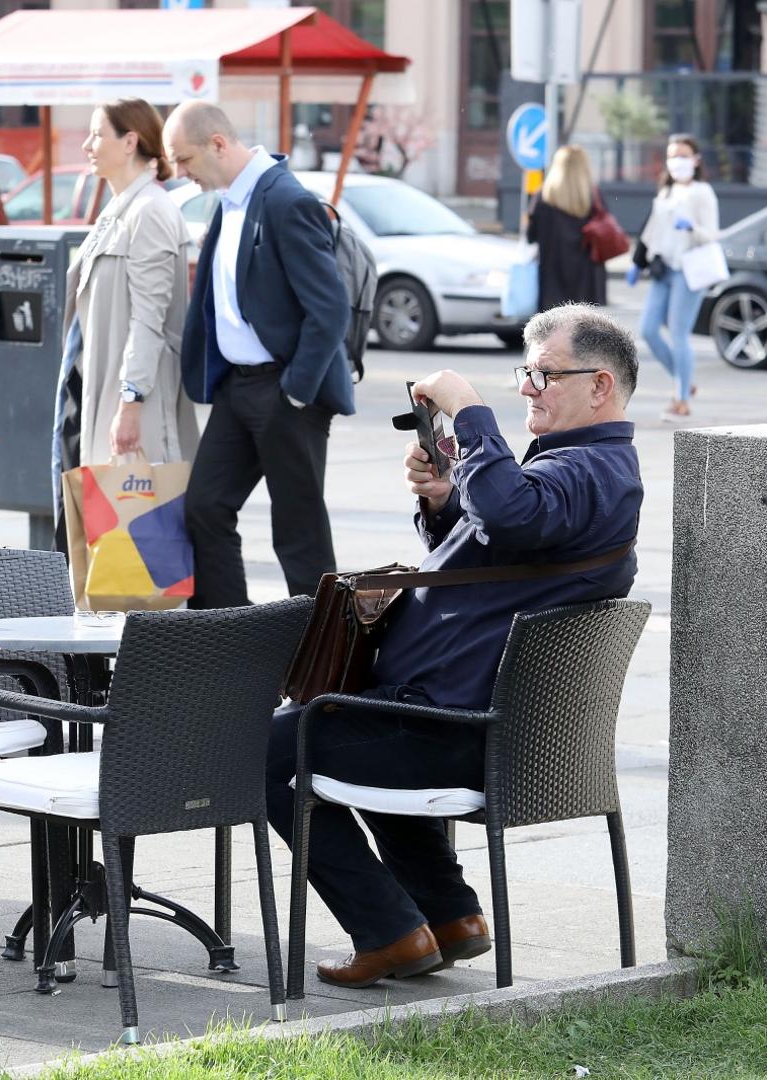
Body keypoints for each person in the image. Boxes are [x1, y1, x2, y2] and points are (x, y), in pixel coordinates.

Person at [264, 303, 643, 988]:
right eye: (525, 373)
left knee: (256, 752)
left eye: (546, 375)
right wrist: (444, 498)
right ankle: (448, 915)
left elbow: (509, 512)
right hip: (449, 721)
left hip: (450, 729)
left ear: (600, 387)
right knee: (349, 725)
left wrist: (469, 411)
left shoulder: (588, 472)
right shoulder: (584, 473)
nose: (528, 387)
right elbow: (494, 557)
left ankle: (388, 932)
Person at [161, 101, 352, 609]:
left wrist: (295, 391)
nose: (179, 173)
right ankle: (228, 641)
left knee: (298, 532)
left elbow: (330, 309)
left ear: (218, 144)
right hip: (238, 388)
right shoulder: (230, 199)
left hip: (286, 390)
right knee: (204, 507)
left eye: (183, 159)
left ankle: (325, 666)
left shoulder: (286, 200)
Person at [64, 98, 198, 470]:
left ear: (129, 142)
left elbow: (148, 319)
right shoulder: (120, 210)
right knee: (108, 522)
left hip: (137, 405)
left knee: (137, 521)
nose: (87, 146)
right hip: (102, 394)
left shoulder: (149, 211)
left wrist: (130, 402)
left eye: (96, 135)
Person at [629, 134, 718, 421]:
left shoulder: (702, 192)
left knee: (679, 333)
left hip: (688, 270)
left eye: (683, 155)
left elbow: (712, 235)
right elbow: (650, 230)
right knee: (649, 329)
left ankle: (681, 400)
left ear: (696, 159)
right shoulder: (665, 191)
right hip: (663, 268)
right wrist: (637, 262)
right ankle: (684, 381)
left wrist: (691, 226)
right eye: (672, 155)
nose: (677, 161)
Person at [526, 145, 606, 310]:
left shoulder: (544, 198)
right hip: (586, 280)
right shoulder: (592, 197)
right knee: (581, 331)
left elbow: (530, 236)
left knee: (551, 331)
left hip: (551, 279)